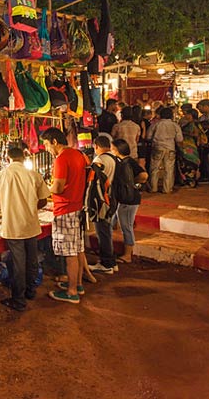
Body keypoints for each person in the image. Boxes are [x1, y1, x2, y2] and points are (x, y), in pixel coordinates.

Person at [0, 145, 50, 312]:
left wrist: (9, 204)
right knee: (32, 260)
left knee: (18, 264)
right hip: (31, 224)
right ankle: (30, 291)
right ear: (24, 158)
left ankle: (19, 300)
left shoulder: (1, 175)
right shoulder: (34, 175)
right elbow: (44, 200)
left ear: (8, 158)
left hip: (13, 226)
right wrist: (29, 207)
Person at [40, 127, 89, 305]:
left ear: (54, 141)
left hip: (65, 210)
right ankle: (78, 284)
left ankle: (72, 292)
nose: (46, 148)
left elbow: (59, 188)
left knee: (69, 253)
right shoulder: (78, 154)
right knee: (76, 249)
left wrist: (45, 187)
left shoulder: (61, 159)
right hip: (77, 207)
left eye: (46, 144)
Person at [111, 139, 148, 263]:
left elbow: (144, 176)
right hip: (125, 198)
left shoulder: (129, 162)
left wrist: (132, 183)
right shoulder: (122, 161)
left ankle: (127, 255)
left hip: (129, 199)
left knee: (126, 227)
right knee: (115, 221)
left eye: (112, 148)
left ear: (117, 150)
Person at [87, 135, 117, 274]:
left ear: (96, 146)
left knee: (103, 232)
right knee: (107, 231)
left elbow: (93, 182)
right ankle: (111, 261)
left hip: (101, 200)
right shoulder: (113, 158)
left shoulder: (99, 160)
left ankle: (106, 264)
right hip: (111, 198)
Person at [146, 107, 183, 194]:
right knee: (169, 169)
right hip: (170, 148)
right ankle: (167, 189)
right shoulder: (175, 125)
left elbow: (148, 137)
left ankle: (153, 188)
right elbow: (179, 139)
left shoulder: (155, 124)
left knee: (154, 168)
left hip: (157, 147)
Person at [179, 109, 203, 178]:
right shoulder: (189, 123)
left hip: (191, 146)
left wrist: (184, 133)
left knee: (191, 162)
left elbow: (196, 134)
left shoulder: (194, 123)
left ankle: (191, 179)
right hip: (186, 146)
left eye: (187, 114)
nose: (185, 116)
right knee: (187, 162)